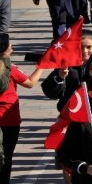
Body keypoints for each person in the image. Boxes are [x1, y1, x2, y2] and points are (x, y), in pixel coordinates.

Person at [0, 36, 45, 183]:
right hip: (9, 119)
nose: (12, 48)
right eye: (10, 46)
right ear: (6, 50)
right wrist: (41, 66)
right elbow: (31, 83)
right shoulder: (11, 70)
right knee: (6, 156)